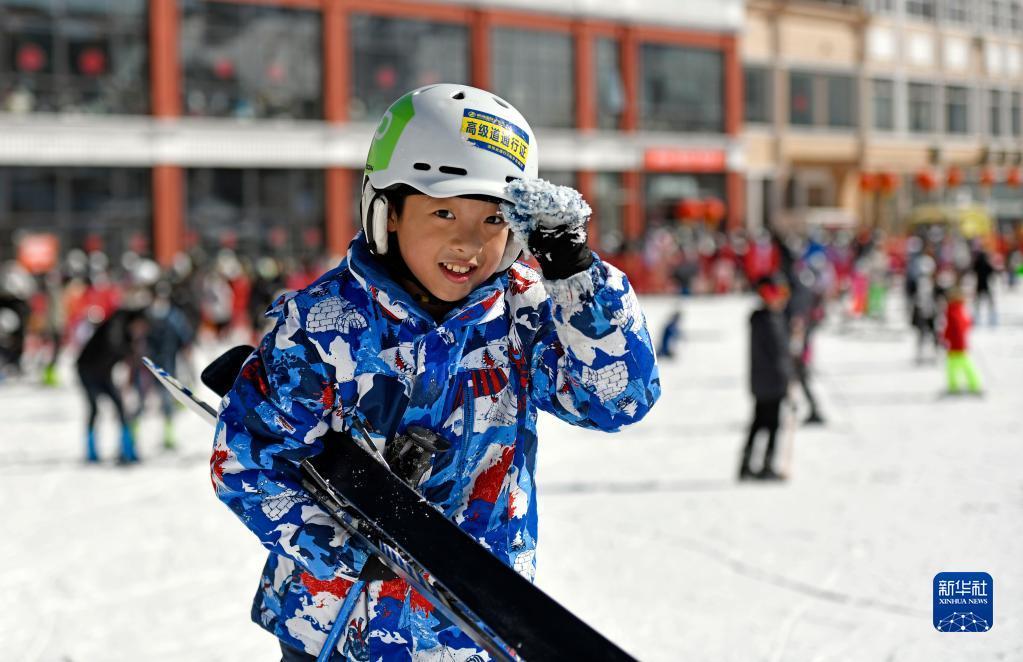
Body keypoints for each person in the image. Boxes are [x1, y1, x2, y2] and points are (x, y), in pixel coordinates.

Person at [211, 84, 661, 661]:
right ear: (390, 210)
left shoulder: (520, 312)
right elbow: (248, 460)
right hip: (336, 632)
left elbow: (617, 400)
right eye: (443, 210)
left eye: (493, 218)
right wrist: (345, 550)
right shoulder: (325, 322)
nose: (467, 241)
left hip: (471, 632)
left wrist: (575, 273)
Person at [76, 304, 148, 463]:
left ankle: (127, 449)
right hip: (87, 371)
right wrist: (130, 350)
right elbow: (113, 344)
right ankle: (91, 449)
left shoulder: (127, 333)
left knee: (121, 407)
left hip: (104, 373)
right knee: (94, 408)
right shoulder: (116, 323)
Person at [739, 276, 793, 482]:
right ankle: (767, 463)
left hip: (761, 381)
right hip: (773, 382)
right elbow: (780, 354)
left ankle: (746, 463)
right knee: (771, 424)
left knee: (758, 422)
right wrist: (788, 378)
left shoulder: (762, 318)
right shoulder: (770, 320)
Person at [942, 288, 982, 395]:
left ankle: (957, 385)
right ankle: (970, 383)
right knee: (960, 364)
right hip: (959, 342)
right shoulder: (958, 309)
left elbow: (953, 327)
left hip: (956, 343)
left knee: (957, 365)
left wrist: (945, 336)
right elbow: (966, 323)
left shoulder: (952, 310)